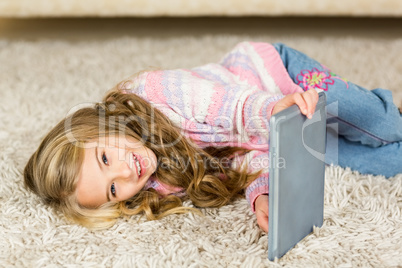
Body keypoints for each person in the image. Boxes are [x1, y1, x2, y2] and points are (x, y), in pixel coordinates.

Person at [24, 42, 402, 232]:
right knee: (387, 162)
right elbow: (237, 157)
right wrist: (261, 193)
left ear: (99, 126)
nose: (124, 174)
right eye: (111, 190)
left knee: (380, 124)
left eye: (105, 159)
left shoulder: (154, 92)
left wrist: (272, 109)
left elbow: (229, 105)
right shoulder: (161, 183)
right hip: (276, 135)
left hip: (275, 84)